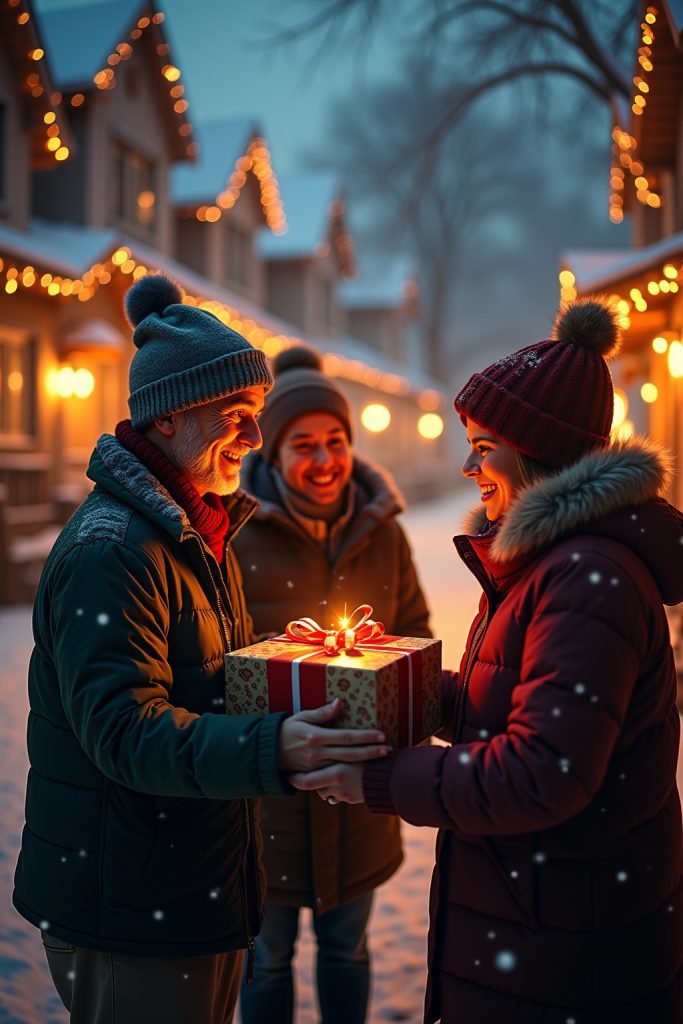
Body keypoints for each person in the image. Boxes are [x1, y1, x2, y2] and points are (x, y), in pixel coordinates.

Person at [291, 297, 683, 1024]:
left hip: (565, 944)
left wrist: (371, 779)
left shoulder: (584, 576)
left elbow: (540, 774)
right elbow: (515, 703)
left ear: (536, 451)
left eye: (483, 445)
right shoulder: (550, 563)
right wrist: (396, 678)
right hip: (542, 919)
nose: (469, 465)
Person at [12, 274, 390, 1024]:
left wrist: (294, 663)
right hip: (128, 905)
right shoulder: (113, 550)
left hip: (183, 884)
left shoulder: (191, 530)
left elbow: (203, 681)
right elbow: (123, 730)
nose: (254, 440)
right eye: (238, 416)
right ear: (168, 418)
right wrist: (272, 748)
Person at [235, 346, 432, 1024]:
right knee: (266, 957)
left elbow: (415, 635)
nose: (323, 460)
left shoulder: (383, 534)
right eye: (302, 445)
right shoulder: (234, 537)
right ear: (273, 453)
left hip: (359, 794)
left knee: (347, 951)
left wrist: (388, 685)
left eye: (335, 441)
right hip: (268, 802)